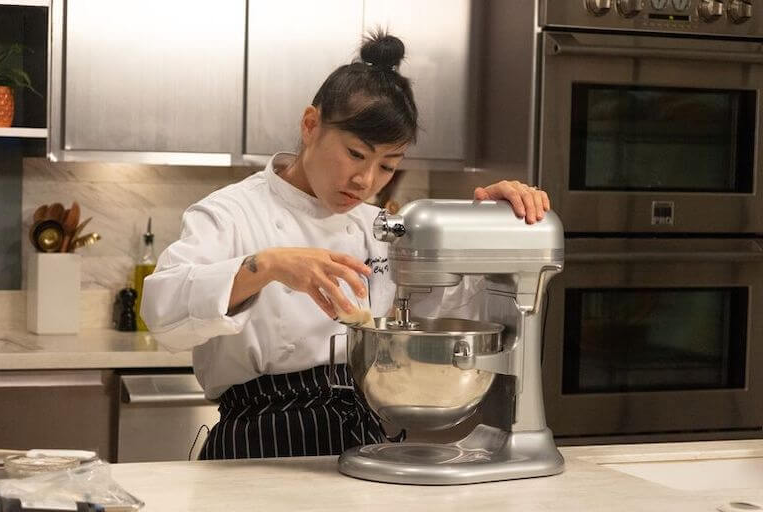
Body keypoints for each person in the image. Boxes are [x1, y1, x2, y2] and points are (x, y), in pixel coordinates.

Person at [141, 31, 550, 460]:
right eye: (356, 154)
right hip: (261, 437)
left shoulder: (381, 227)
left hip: (365, 434)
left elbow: (448, 315)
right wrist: (267, 266)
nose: (366, 181)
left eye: (387, 166)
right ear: (310, 124)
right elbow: (163, 311)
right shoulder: (230, 214)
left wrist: (498, 227)